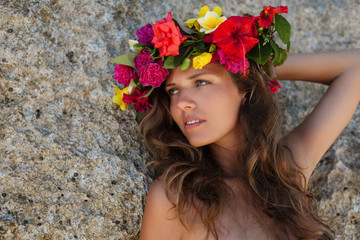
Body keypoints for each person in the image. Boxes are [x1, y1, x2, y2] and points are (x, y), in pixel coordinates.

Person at [110, 5, 360, 240]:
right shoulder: (174, 198)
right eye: (173, 91)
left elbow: (355, 66)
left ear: (244, 90)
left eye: (201, 82)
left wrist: (254, 67)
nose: (181, 103)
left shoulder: (288, 170)